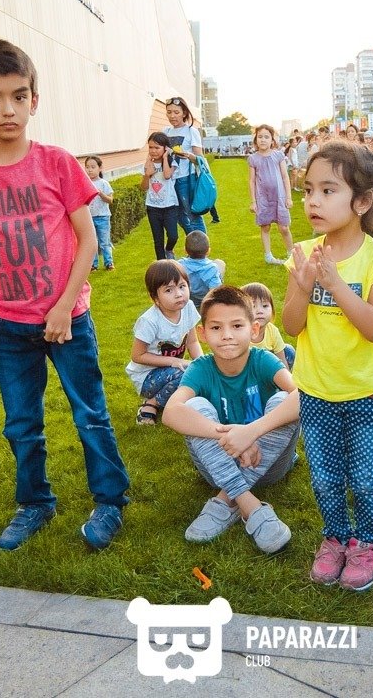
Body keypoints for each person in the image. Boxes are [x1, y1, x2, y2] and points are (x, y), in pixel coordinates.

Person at [0, 38, 130, 551]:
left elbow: (88, 239)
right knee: (21, 424)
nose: (8, 109)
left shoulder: (57, 163)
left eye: (19, 96)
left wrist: (65, 306)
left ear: (34, 100)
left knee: (90, 414)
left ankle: (110, 501)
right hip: (9, 327)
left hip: (69, 320)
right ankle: (35, 503)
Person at [283, 142, 373, 592]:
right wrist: (304, 286)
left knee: (366, 478)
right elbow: (292, 326)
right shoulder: (305, 253)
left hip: (366, 391)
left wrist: (334, 284)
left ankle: (366, 543)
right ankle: (335, 538)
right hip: (316, 391)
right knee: (326, 477)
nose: (313, 200)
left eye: (328, 190)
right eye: (309, 190)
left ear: (362, 201)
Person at [163, 285, 301, 552]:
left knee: (284, 400)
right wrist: (229, 435)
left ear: (254, 330)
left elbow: (302, 397)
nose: (227, 335)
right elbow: (170, 412)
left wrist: (251, 432)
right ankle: (249, 504)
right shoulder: (200, 369)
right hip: (217, 466)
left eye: (237, 326)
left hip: (269, 463)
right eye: (216, 328)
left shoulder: (263, 360)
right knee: (194, 406)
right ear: (203, 334)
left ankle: (225, 500)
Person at [126, 260, 204, 426]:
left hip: (171, 369)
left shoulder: (188, 307)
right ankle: (151, 403)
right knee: (183, 374)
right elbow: (137, 356)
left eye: (182, 286)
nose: (178, 294)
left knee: (199, 369)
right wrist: (174, 361)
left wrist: (202, 364)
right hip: (147, 377)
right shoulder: (150, 321)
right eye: (169, 290)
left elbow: (192, 342)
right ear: (155, 298)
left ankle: (180, 400)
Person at [248, 124, 294, 265]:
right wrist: (253, 201)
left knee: (284, 227)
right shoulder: (253, 158)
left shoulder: (278, 155)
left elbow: (285, 177)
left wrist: (288, 197)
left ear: (272, 140)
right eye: (260, 137)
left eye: (266, 137)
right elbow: (252, 181)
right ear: (256, 139)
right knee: (265, 226)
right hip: (263, 198)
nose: (263, 140)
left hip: (279, 197)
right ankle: (268, 256)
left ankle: (291, 254)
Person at [165, 95, 210, 232]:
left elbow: (200, 159)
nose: (172, 116)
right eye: (169, 112)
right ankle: (193, 242)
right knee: (179, 217)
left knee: (193, 215)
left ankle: (201, 244)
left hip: (186, 179)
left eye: (176, 112)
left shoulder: (191, 131)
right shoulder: (165, 131)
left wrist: (188, 156)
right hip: (170, 180)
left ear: (184, 113)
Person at [142, 131, 179, 261]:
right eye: (150, 147)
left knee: (173, 236)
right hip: (153, 208)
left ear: (165, 148)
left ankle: (168, 249)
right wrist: (147, 174)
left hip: (170, 206)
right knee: (158, 240)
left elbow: (167, 175)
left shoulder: (172, 162)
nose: (153, 151)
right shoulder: (147, 165)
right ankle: (161, 265)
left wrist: (165, 158)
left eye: (157, 147)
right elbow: (144, 187)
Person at [242, 281, 294, 369]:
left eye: (265, 306)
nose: (260, 311)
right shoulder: (240, 333)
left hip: (266, 368)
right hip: (246, 369)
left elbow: (281, 359)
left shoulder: (272, 330)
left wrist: (286, 377)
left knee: (288, 351)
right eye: (253, 306)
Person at [82, 156, 115, 271]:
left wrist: (101, 194)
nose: (89, 170)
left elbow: (110, 200)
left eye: (93, 167)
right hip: (89, 217)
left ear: (100, 168)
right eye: (87, 167)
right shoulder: (84, 183)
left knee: (104, 242)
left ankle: (109, 263)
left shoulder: (103, 183)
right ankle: (93, 264)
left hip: (103, 217)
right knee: (92, 242)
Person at [178, 230, 226, 309]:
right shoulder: (211, 268)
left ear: (185, 250)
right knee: (220, 263)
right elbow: (215, 292)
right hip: (204, 300)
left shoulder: (179, 264)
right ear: (208, 251)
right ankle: (219, 281)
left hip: (187, 299)